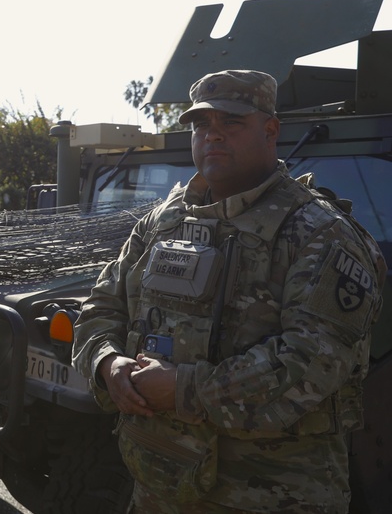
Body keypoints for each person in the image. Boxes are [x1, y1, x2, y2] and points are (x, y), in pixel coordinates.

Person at [71, 69, 386, 513]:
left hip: (270, 494)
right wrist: (107, 361)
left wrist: (184, 389)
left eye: (231, 123)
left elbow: (313, 362)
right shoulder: (163, 221)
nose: (212, 136)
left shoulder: (320, 233)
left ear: (270, 130)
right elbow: (101, 306)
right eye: (202, 125)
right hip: (160, 485)